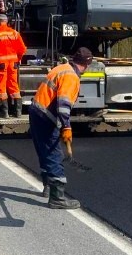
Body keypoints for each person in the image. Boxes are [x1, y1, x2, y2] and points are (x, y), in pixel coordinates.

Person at [29, 47, 92, 209]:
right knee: (54, 154)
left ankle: (48, 187)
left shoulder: (62, 67)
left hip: (36, 112)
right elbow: (63, 105)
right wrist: (67, 127)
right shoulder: (71, 77)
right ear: (87, 64)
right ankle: (57, 197)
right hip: (45, 116)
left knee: (44, 151)